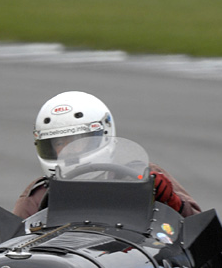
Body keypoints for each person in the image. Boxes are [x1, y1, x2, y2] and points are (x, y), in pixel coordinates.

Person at [13, 91, 201, 219]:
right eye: (59, 144)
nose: (67, 150)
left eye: (76, 141)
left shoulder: (142, 175)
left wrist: (172, 202)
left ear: (103, 134)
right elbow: (6, 252)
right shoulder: (38, 195)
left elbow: (197, 230)